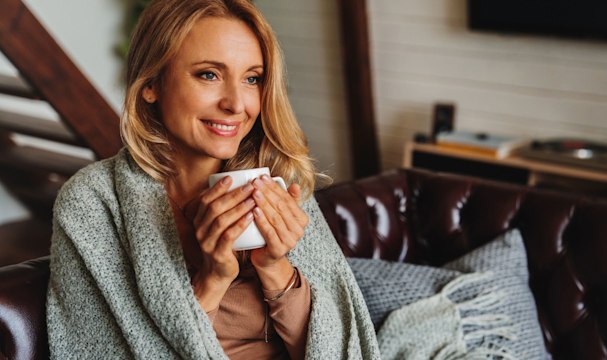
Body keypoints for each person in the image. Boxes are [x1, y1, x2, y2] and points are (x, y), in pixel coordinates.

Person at [46, 0, 380, 359]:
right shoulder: (94, 203)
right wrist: (213, 278)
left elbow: (341, 349)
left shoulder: (276, 179)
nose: (236, 104)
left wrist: (274, 268)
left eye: (252, 79)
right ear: (151, 83)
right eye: (209, 74)